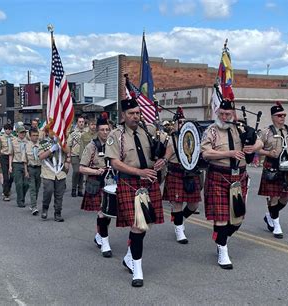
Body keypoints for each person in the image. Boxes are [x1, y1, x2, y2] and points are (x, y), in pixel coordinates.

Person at [105, 98, 166, 287]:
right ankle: (137, 270)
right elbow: (114, 162)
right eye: (131, 113)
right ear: (123, 115)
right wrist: (139, 171)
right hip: (130, 182)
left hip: (149, 182)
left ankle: (130, 257)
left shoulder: (147, 132)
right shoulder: (116, 135)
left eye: (138, 113)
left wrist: (163, 159)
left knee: (146, 223)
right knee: (138, 226)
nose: (135, 116)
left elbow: (170, 145)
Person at [201, 99, 263, 269]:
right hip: (219, 176)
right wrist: (229, 153)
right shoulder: (211, 131)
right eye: (221, 113)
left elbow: (260, 141)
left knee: (237, 219)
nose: (224, 117)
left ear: (233, 113)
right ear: (217, 113)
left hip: (239, 177)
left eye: (227, 114)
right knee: (221, 218)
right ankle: (222, 251)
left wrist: (253, 148)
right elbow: (206, 153)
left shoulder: (241, 128)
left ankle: (222, 239)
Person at [257, 102, 288, 239]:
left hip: (286, 169)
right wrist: (267, 153)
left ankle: (270, 216)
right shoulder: (266, 132)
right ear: (273, 117)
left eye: (283, 115)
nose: (282, 117)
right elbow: (257, 149)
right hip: (272, 167)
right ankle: (277, 225)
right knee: (274, 197)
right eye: (279, 115)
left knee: (285, 198)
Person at [163, 107, 201, 244]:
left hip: (190, 174)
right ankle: (179, 229)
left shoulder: (192, 137)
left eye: (184, 122)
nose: (182, 124)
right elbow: (166, 157)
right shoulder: (171, 140)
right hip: (176, 173)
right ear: (174, 124)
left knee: (194, 205)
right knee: (177, 204)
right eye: (179, 122)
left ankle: (180, 220)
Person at [79, 117, 112, 257]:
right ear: (97, 131)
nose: (105, 132)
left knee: (109, 213)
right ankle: (105, 242)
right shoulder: (91, 146)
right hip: (96, 181)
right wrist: (95, 171)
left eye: (107, 129)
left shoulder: (113, 145)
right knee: (102, 213)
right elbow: (81, 168)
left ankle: (99, 235)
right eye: (102, 130)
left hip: (111, 181)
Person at [38, 131, 71, 221]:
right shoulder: (43, 143)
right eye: (52, 131)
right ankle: (45, 208)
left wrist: (60, 142)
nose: (53, 133)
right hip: (48, 171)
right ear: (48, 132)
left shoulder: (62, 142)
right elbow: (40, 156)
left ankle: (58, 213)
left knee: (59, 194)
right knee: (48, 191)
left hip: (60, 171)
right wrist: (51, 150)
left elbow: (68, 152)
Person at [10, 126, 29, 208]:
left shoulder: (28, 142)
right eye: (21, 132)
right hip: (17, 163)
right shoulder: (13, 142)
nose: (22, 134)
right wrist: (10, 166)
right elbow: (11, 154)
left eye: (24, 132)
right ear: (17, 133)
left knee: (26, 184)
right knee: (19, 183)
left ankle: (22, 197)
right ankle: (20, 200)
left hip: (26, 164)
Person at [78, 118, 98, 195]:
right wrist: (81, 160)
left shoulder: (98, 135)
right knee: (88, 177)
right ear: (88, 125)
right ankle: (88, 191)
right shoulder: (84, 135)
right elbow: (82, 148)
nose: (93, 126)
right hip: (87, 159)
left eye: (95, 125)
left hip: (97, 159)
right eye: (92, 124)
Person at [67, 116, 85, 197]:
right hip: (75, 155)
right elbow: (69, 145)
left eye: (82, 122)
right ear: (77, 123)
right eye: (80, 122)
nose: (81, 123)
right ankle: (74, 189)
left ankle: (80, 189)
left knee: (81, 172)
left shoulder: (86, 133)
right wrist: (69, 156)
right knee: (76, 171)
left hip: (84, 156)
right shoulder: (73, 133)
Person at [25, 128, 42, 215]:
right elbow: (24, 160)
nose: (35, 137)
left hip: (39, 168)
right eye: (33, 135)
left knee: (37, 187)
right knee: (32, 188)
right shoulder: (27, 145)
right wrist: (26, 171)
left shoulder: (41, 145)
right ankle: (34, 206)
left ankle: (33, 204)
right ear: (30, 136)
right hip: (31, 168)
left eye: (37, 135)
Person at [0, 123, 14, 201]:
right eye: (6, 129)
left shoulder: (14, 138)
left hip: (12, 157)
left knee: (12, 176)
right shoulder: (1, 138)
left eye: (9, 129)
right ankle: (6, 194)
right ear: (4, 130)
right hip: (4, 157)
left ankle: (8, 188)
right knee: (5, 176)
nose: (8, 131)